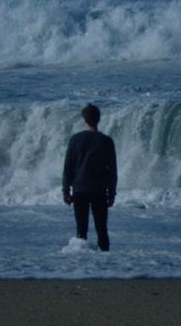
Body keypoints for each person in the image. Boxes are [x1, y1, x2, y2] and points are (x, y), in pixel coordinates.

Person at [62, 103, 118, 251]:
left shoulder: (75, 140)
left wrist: (66, 191)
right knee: (102, 231)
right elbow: (112, 170)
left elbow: (68, 167)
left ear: (84, 120)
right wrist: (112, 193)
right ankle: (107, 265)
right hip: (99, 190)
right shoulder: (106, 141)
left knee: (81, 231)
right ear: (98, 119)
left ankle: (82, 267)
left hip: (80, 190)